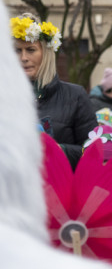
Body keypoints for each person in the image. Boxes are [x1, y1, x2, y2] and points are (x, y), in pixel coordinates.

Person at [11, 13, 96, 168]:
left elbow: (95, 152)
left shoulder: (75, 96)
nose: (23, 58)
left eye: (30, 50)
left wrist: (59, 150)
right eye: (17, 51)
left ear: (46, 53)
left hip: (60, 189)